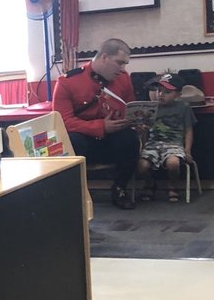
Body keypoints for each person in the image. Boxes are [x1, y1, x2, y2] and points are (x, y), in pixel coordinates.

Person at [53, 38, 138, 209]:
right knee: (73, 140)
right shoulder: (67, 82)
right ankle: (77, 193)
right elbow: (63, 122)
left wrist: (136, 120)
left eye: (125, 64)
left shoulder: (124, 79)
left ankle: (120, 188)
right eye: (120, 63)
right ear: (105, 57)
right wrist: (100, 127)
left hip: (112, 139)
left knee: (130, 139)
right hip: (84, 140)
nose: (123, 69)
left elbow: (130, 108)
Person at [137, 74, 195, 203]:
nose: (160, 94)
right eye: (159, 91)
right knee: (141, 165)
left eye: (167, 92)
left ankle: (173, 185)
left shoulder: (183, 107)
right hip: (153, 143)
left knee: (173, 163)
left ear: (178, 94)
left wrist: (187, 150)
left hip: (174, 144)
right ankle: (149, 183)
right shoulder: (150, 108)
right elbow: (145, 132)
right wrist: (142, 138)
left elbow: (189, 130)